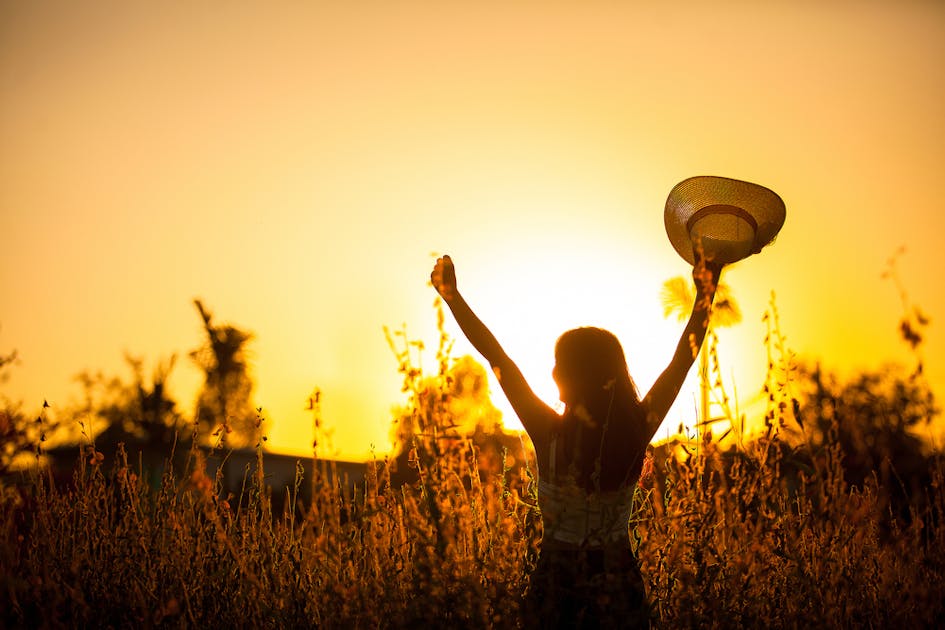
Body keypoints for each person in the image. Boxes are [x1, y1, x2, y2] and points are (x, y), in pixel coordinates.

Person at [430, 252, 722, 628]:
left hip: (556, 585)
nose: (551, 371)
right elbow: (683, 360)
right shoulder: (635, 430)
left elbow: (495, 355)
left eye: (559, 363)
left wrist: (453, 298)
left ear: (573, 376)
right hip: (620, 588)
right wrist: (706, 292)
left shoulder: (548, 432)